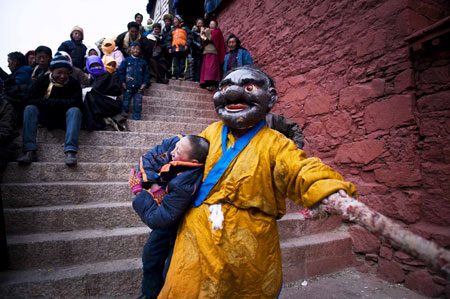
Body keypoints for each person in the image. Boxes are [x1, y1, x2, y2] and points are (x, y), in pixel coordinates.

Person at [158, 67, 357, 298]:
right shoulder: (211, 132)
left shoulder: (276, 143)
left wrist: (326, 189)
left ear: (271, 97)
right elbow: (186, 162)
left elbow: (298, 169)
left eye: (249, 87)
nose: (232, 95)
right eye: (224, 88)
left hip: (248, 241)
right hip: (197, 235)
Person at [130, 134, 209, 299]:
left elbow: (159, 219)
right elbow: (149, 158)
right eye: (175, 147)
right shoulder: (179, 143)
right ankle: (149, 294)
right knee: (151, 256)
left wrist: (139, 193)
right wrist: (154, 186)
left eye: (178, 151)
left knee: (172, 271)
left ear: (193, 162)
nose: (171, 153)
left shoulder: (185, 184)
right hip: (167, 212)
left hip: (180, 225)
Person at [17, 55, 83, 166]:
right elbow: (29, 100)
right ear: (52, 71)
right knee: (30, 109)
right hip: (45, 116)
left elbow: (77, 103)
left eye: (66, 73)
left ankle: (70, 151)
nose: (63, 76)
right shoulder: (42, 81)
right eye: (59, 72)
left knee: (75, 111)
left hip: (64, 118)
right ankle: (29, 150)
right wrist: (57, 103)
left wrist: (48, 102)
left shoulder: (73, 83)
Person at [82, 56, 123, 131]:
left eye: (98, 65)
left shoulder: (105, 74)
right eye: (92, 66)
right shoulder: (92, 78)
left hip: (113, 104)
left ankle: (97, 124)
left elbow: (96, 88)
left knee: (89, 95)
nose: (96, 68)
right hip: (103, 103)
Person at [117, 42, 150, 121]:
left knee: (138, 103)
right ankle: (124, 117)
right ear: (130, 50)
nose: (136, 50)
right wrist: (122, 82)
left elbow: (146, 74)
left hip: (139, 88)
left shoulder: (143, 62)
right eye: (133, 48)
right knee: (125, 102)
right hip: (127, 86)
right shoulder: (126, 61)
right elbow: (121, 72)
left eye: (138, 49)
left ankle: (136, 118)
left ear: (140, 50)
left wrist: (144, 84)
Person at [199, 20, 225, 91]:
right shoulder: (209, 30)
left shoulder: (217, 32)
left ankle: (212, 83)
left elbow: (209, 38)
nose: (211, 25)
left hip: (213, 51)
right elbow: (203, 39)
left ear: (216, 25)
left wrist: (205, 32)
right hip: (206, 51)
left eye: (213, 24)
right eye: (210, 23)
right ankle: (205, 83)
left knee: (212, 68)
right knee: (206, 68)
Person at [166, 15, 192, 80]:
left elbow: (190, 38)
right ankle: (174, 75)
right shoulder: (172, 30)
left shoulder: (185, 29)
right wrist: (169, 47)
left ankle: (181, 76)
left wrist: (187, 45)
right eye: (174, 20)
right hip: (174, 49)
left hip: (183, 48)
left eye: (176, 19)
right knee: (175, 63)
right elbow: (169, 39)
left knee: (183, 63)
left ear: (179, 20)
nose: (174, 21)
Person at [191, 18, 204, 83]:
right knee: (196, 64)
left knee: (201, 64)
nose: (200, 24)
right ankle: (196, 78)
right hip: (196, 50)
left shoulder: (203, 31)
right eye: (199, 23)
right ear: (196, 23)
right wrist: (198, 45)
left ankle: (199, 78)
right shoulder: (194, 30)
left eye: (201, 23)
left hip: (202, 50)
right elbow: (192, 40)